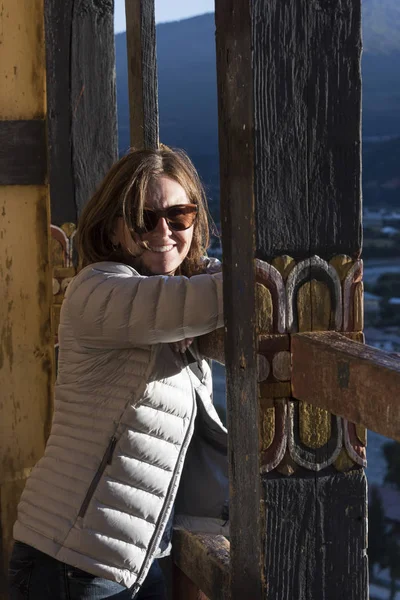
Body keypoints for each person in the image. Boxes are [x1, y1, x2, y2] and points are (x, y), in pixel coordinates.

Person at [9, 146, 229, 599]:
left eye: (179, 215)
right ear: (112, 226)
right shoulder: (100, 291)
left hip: (130, 561)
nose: (163, 230)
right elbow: (221, 296)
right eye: (143, 218)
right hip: (72, 562)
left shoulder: (157, 301)